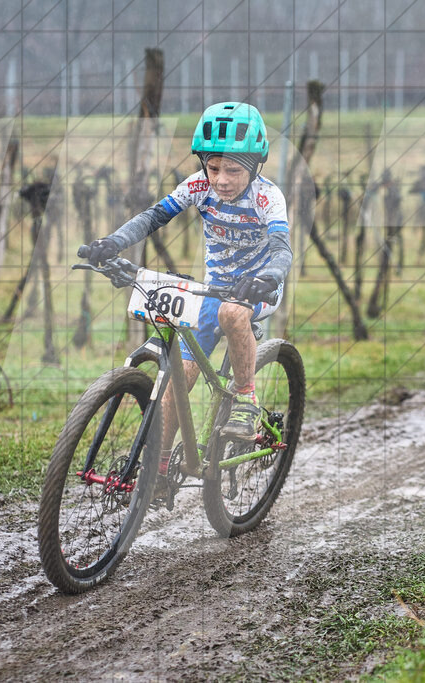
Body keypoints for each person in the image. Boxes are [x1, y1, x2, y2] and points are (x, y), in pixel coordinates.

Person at [85, 102, 292, 478]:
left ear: (254, 166)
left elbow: (281, 248)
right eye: (214, 168)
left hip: (258, 288)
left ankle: (246, 397)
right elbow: (153, 216)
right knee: (178, 378)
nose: (222, 179)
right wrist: (112, 243)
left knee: (234, 313)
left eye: (233, 169)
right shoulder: (198, 186)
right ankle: (159, 469)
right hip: (213, 290)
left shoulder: (267, 198)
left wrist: (269, 276)